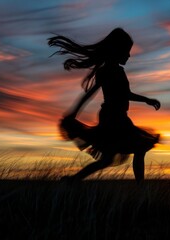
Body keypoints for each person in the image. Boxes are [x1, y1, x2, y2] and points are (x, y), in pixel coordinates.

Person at [48, 28, 160, 183]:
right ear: (117, 50)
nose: (128, 55)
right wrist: (73, 113)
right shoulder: (109, 71)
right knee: (139, 147)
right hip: (113, 119)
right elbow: (93, 94)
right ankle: (140, 187)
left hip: (118, 117)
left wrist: (146, 100)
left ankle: (72, 180)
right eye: (126, 51)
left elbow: (124, 93)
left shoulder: (116, 70)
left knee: (107, 159)